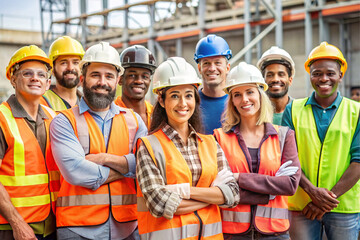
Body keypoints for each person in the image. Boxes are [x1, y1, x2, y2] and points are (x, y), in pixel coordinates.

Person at [50, 42, 148, 239]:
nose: (102, 82)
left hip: (127, 227)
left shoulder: (134, 121)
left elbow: (147, 166)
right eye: (95, 75)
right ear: (82, 79)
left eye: (109, 76)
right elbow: (77, 173)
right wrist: (128, 168)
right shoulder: (63, 121)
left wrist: (103, 158)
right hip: (77, 228)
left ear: (117, 80)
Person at [136, 57, 240, 240]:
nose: (183, 103)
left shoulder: (210, 143)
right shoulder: (148, 146)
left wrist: (181, 191)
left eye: (189, 95)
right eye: (175, 95)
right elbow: (160, 204)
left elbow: (232, 194)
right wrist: (213, 196)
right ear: (161, 100)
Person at [282, 42, 360, 240]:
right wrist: (311, 192)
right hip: (301, 206)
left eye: (330, 73)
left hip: (343, 208)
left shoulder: (356, 111)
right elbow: (288, 159)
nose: (324, 78)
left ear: (340, 76)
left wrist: (323, 201)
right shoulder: (293, 110)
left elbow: (358, 161)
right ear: (310, 76)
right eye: (317, 73)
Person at [214, 62, 300, 239]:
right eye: (237, 94)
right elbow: (217, 188)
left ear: (261, 95)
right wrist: (270, 191)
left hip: (275, 233)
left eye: (250, 92)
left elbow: (290, 184)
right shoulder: (219, 138)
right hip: (232, 233)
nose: (244, 99)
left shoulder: (284, 136)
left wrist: (238, 178)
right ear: (232, 101)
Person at [0, 45, 59, 240]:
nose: (35, 78)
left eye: (41, 75)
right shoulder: (2, 118)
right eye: (27, 73)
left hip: (52, 225)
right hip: (12, 228)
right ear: (13, 79)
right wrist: (17, 223)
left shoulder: (54, 118)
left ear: (48, 82)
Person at [194, 34, 231, 134]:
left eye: (217, 62)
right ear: (199, 68)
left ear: (227, 67)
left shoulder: (238, 101)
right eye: (206, 63)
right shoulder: (191, 102)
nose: (212, 68)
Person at [115, 45, 156, 128]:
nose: (139, 81)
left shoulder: (156, 115)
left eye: (145, 76)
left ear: (149, 82)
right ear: (120, 79)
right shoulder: (110, 115)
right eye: (132, 75)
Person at [40, 36, 85, 110]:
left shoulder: (87, 103)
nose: (70, 68)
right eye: (64, 63)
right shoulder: (41, 102)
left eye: (75, 62)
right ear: (52, 69)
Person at [257, 46, 295, 125]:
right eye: (270, 75)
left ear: (290, 80)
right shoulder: (255, 113)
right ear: (262, 81)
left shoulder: (300, 111)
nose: (275, 79)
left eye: (281, 74)